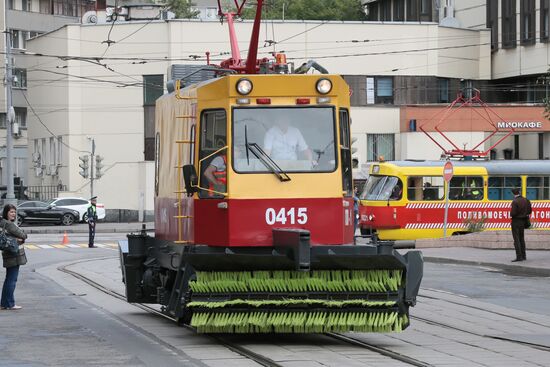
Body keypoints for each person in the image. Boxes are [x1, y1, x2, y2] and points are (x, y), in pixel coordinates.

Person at [1, 204, 27, 310]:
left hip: (7, 253)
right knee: (12, 279)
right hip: (14, 255)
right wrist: (21, 238)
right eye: (11, 212)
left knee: (8, 279)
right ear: (6, 212)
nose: (13, 214)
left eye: (14, 212)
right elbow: (23, 235)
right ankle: (10, 304)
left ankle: (4, 303)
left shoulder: (2, 223)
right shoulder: (9, 224)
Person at [510, 188, 532, 262]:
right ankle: (524, 256)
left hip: (516, 221)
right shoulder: (526, 200)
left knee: (516, 239)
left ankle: (519, 257)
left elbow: (513, 213)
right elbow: (530, 211)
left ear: (513, 193)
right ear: (519, 192)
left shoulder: (515, 202)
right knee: (522, 239)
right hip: (524, 221)